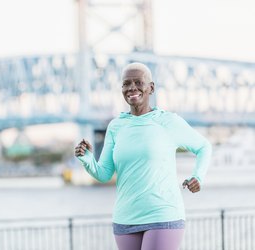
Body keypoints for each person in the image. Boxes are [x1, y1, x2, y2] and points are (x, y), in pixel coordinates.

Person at [74, 62, 212, 250]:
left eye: (138, 82)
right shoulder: (115, 126)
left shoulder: (168, 121)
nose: (132, 88)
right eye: (126, 84)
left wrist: (198, 176)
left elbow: (204, 146)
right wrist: (87, 158)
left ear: (151, 88)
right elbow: (105, 173)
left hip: (163, 215)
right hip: (125, 219)